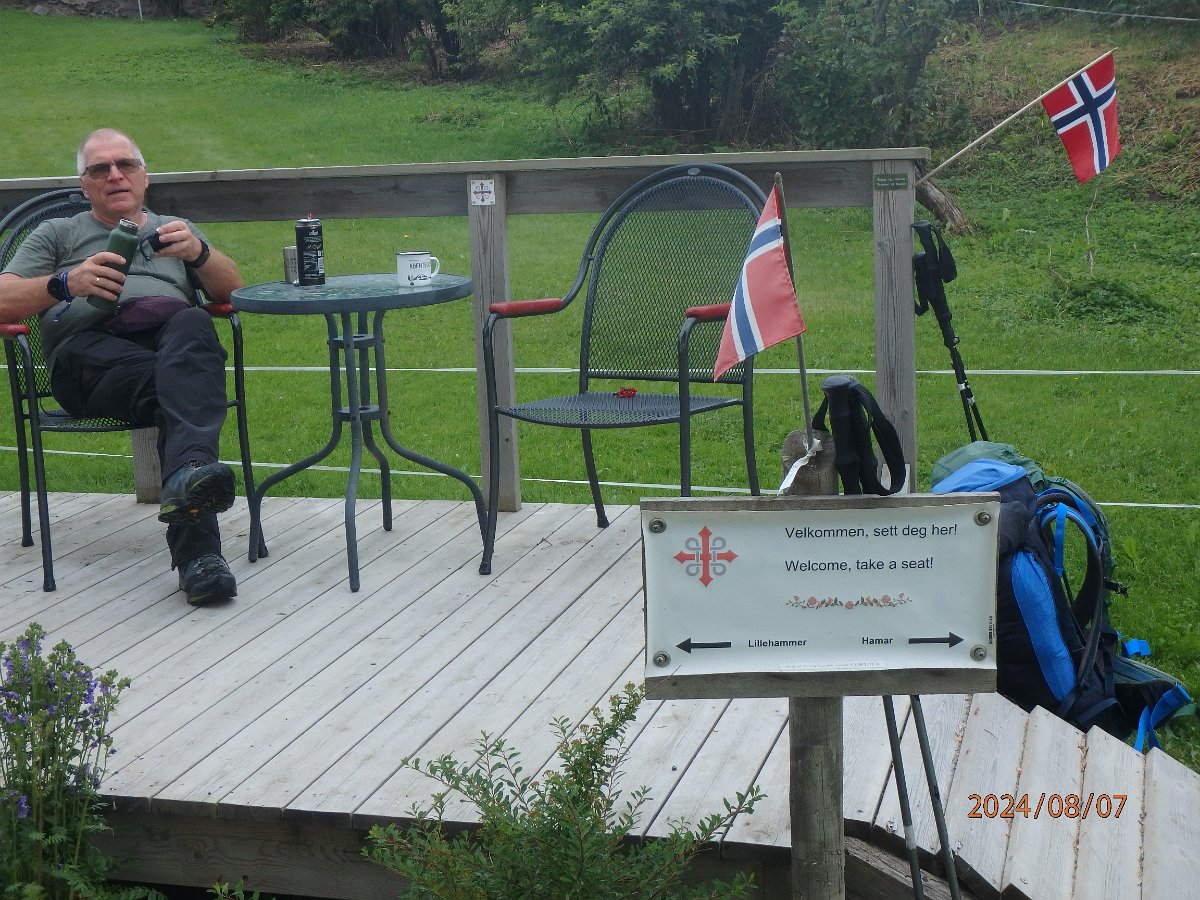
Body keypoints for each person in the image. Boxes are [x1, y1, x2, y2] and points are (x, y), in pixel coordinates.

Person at [0, 128, 245, 605]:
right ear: (85, 185)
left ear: (144, 176)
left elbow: (233, 293)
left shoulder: (175, 228)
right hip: (89, 356)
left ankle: (193, 502)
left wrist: (199, 253)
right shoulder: (57, 233)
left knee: (194, 324)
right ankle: (199, 543)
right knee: (186, 388)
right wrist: (64, 283)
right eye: (100, 169)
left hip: (171, 344)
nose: (115, 175)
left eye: (125, 165)